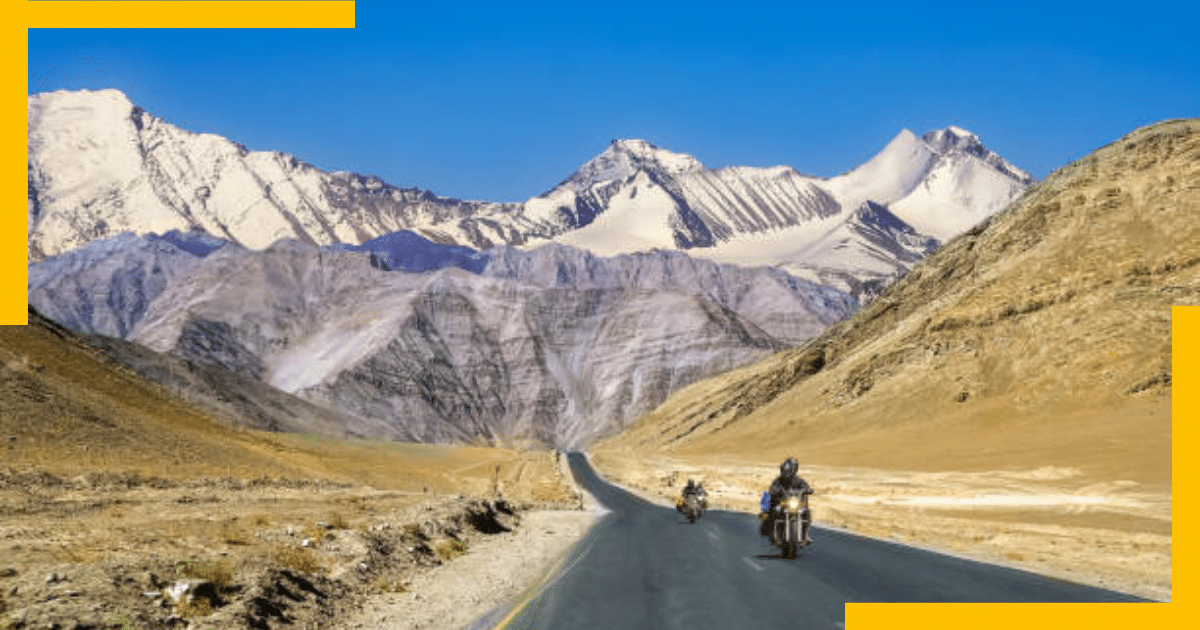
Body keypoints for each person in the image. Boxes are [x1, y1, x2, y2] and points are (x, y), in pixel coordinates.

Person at [760, 457, 813, 543]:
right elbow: (772, 489)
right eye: (786, 469)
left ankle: (806, 535)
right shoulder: (778, 480)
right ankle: (773, 532)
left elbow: (806, 487)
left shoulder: (798, 480)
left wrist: (808, 490)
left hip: (795, 504)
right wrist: (776, 491)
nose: (787, 472)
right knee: (775, 511)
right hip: (782, 504)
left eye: (789, 469)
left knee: (807, 512)